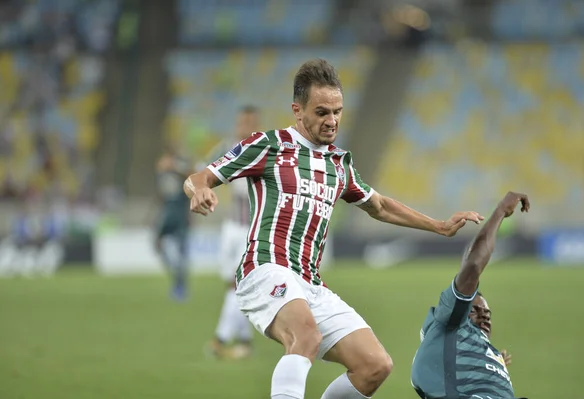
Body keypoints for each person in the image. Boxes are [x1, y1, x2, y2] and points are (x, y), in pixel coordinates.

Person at [184, 58, 484, 399]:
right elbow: (198, 178)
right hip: (265, 269)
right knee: (306, 337)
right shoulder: (268, 145)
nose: (332, 121)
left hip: (310, 283)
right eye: (322, 112)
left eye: (337, 112)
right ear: (298, 110)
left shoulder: (339, 164)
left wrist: (440, 226)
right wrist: (201, 190)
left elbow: (380, 206)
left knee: (375, 365)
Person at [411, 191, 530, 399]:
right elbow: (472, 268)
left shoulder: (478, 349)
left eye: (488, 313)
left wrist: (489, 359)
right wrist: (501, 209)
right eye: (475, 310)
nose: (485, 316)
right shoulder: (451, 324)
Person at [206, 105, 261, 360]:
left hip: (250, 227)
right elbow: (201, 170)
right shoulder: (229, 146)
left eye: (249, 122)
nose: (243, 126)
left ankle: (220, 338)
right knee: (233, 284)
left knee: (239, 286)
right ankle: (245, 341)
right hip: (231, 226)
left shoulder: (261, 149)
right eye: (241, 122)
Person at [154, 145, 194, 301]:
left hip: (181, 215)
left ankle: (180, 287)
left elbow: (191, 176)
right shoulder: (162, 170)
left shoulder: (181, 167)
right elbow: (161, 192)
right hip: (167, 213)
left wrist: (175, 168)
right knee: (158, 246)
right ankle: (177, 279)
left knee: (181, 253)